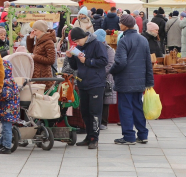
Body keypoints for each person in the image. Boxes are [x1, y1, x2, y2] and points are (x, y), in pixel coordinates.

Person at [108, 14, 154, 145]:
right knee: (137, 107)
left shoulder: (124, 40)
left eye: (120, 23)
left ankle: (129, 136)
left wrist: (112, 70)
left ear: (124, 25)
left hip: (125, 81)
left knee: (126, 109)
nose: (119, 25)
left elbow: (121, 62)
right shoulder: (143, 40)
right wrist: (149, 81)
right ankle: (143, 134)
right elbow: (148, 63)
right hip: (139, 81)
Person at [65, 26, 107, 149]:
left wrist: (87, 61)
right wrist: (70, 56)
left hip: (96, 83)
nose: (77, 44)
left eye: (77, 41)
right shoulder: (78, 48)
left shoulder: (97, 45)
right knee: (85, 111)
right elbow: (75, 66)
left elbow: (104, 61)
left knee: (94, 112)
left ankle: (94, 138)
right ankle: (89, 136)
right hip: (83, 83)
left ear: (84, 37)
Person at [0, 59, 20, 154]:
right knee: (4, 126)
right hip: (9, 109)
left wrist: (1, 92)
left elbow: (9, 94)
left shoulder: (7, 81)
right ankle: (2, 142)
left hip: (8, 110)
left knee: (6, 128)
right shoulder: (10, 79)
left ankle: (7, 146)